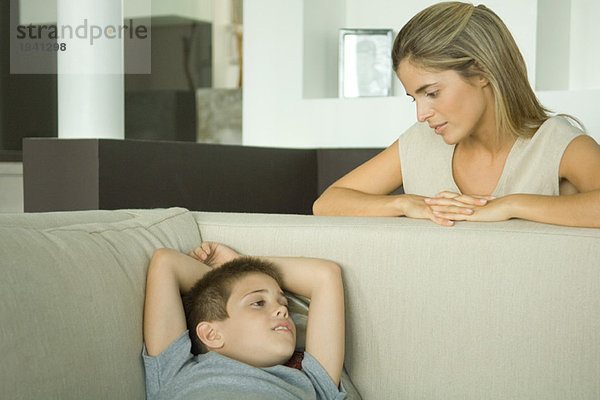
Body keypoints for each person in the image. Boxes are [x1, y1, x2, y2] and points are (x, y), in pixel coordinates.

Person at [313, 2, 600, 228]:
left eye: (432, 93)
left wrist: (511, 206)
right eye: (414, 98)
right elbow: (327, 203)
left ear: (482, 71)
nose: (421, 114)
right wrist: (405, 204)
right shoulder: (420, 142)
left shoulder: (557, 143)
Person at [142, 241, 346, 400]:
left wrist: (239, 261)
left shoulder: (310, 383)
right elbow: (166, 262)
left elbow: (326, 275)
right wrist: (230, 274)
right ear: (212, 334)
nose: (282, 310)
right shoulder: (176, 370)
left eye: (284, 304)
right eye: (258, 303)